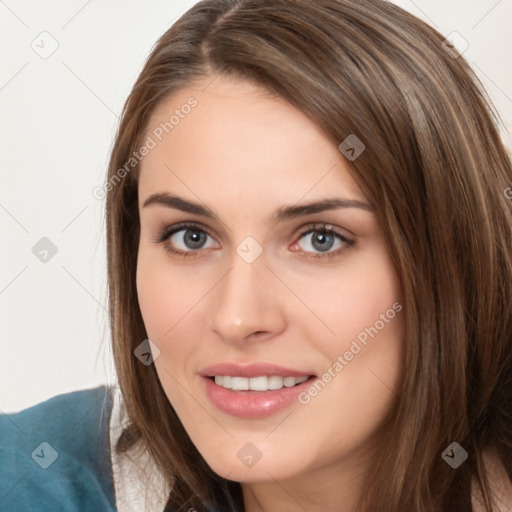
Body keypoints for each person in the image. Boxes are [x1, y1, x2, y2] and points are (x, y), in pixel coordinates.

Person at [1, 0, 512, 510]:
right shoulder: (30, 479)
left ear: (455, 256)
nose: (237, 317)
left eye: (320, 239)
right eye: (191, 237)